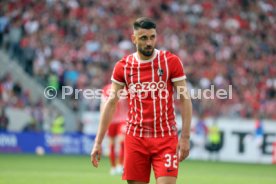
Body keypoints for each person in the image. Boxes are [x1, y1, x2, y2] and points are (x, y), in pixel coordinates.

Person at [91, 17, 192, 184]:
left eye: (152, 37)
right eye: (144, 38)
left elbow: (185, 99)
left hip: (165, 138)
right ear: (134, 39)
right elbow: (111, 104)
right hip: (135, 139)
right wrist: (98, 142)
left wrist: (186, 137)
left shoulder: (170, 62)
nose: (149, 43)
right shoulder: (123, 66)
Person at [101, 83, 128, 175]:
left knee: (122, 142)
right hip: (111, 121)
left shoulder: (126, 88)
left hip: (123, 120)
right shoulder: (106, 89)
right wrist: (103, 120)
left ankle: (120, 165)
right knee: (111, 144)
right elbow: (103, 106)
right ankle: (113, 167)